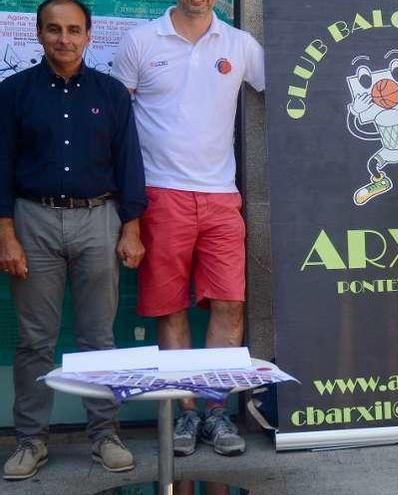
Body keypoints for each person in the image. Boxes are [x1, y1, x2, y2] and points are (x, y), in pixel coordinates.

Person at [0, 0, 147, 480]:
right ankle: (30, 441)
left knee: (98, 339)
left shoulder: (111, 93)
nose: (64, 38)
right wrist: (7, 235)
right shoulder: (14, 93)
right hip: (32, 221)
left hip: (98, 219)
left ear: (89, 35)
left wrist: (131, 226)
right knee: (35, 341)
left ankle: (105, 435)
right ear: (38, 34)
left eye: (73, 30)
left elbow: (129, 164)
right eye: (54, 29)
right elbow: (0, 169)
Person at [110, 0, 264, 457]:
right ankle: (186, 414)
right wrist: (130, 211)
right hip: (160, 193)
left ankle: (216, 413)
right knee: (171, 308)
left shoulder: (240, 43)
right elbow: (117, 125)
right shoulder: (140, 41)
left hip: (221, 194)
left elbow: (295, 89)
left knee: (230, 304)